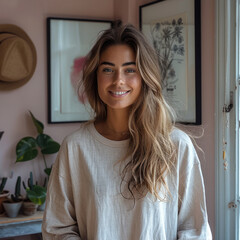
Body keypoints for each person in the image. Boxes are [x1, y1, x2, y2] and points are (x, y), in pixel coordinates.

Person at [42, 24, 212, 240]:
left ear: (145, 76)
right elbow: (57, 228)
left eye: (130, 69)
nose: (118, 80)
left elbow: (195, 230)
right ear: (96, 75)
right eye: (108, 69)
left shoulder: (176, 145)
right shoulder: (76, 147)